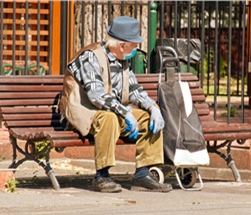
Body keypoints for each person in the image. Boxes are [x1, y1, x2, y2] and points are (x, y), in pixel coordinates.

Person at [59, 16, 172, 193]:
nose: (136, 49)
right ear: (122, 45)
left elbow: (134, 90)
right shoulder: (90, 57)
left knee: (147, 119)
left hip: (111, 110)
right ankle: (102, 176)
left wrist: (153, 107)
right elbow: (96, 95)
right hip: (84, 111)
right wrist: (125, 113)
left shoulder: (122, 60)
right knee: (109, 118)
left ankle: (143, 175)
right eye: (134, 45)